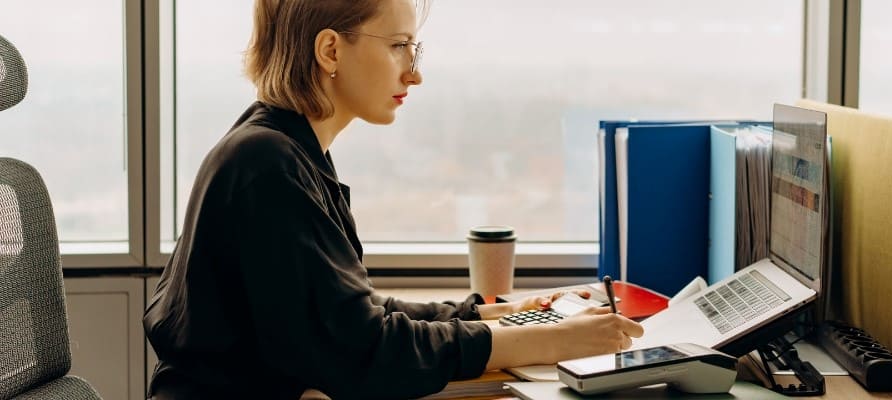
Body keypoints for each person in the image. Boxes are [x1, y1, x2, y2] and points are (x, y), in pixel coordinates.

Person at [142, 0, 644, 398]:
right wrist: (547, 340)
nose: (414, 73)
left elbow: (350, 318)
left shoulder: (281, 147)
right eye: (399, 46)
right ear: (331, 51)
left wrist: (492, 313)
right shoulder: (268, 165)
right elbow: (365, 352)